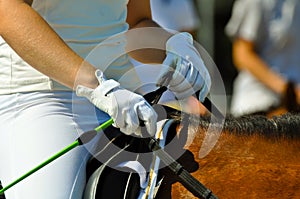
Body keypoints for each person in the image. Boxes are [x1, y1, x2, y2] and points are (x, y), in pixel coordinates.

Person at [0, 0, 211, 198]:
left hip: (124, 99)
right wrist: (96, 86)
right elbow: (8, 10)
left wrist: (172, 46)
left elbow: (136, 22)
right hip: (43, 100)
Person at [225, 0, 300, 117]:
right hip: (258, 108)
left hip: (294, 109)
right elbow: (242, 55)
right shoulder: (255, 2)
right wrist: (287, 90)